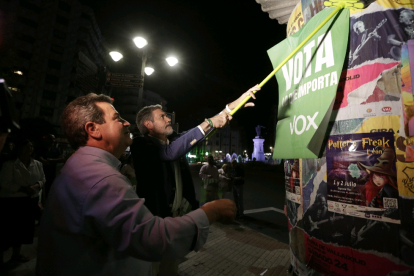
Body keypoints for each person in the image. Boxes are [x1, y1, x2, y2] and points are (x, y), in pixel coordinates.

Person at [36, 93, 236, 276]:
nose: (126, 123)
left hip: (170, 225)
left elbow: (197, 135)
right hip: (157, 231)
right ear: (93, 129)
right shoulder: (103, 174)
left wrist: (231, 107)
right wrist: (212, 212)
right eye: (117, 118)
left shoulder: (85, 167)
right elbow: (150, 238)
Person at [131, 85, 258, 275]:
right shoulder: (142, 145)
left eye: (167, 115)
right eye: (162, 116)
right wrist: (209, 122)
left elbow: (203, 131)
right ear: (148, 125)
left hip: (176, 220)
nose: (169, 118)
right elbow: (170, 153)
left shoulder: (174, 141)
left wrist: (235, 104)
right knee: (150, 270)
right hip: (154, 224)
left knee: (169, 270)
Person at [0, 139, 45, 264]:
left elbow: (42, 179)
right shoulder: (10, 164)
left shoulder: (37, 164)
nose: (29, 148)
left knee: (22, 231)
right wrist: (23, 189)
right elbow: (5, 183)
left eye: (31, 146)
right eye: (26, 146)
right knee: (8, 230)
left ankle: (16, 254)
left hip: (29, 201)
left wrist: (35, 187)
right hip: (12, 202)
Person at [35, 134, 65, 200]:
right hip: (41, 174)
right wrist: (54, 161)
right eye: (50, 139)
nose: (52, 141)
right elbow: (42, 161)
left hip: (51, 174)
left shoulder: (55, 149)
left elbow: (62, 159)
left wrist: (51, 160)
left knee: (49, 191)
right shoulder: (40, 149)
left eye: (53, 139)